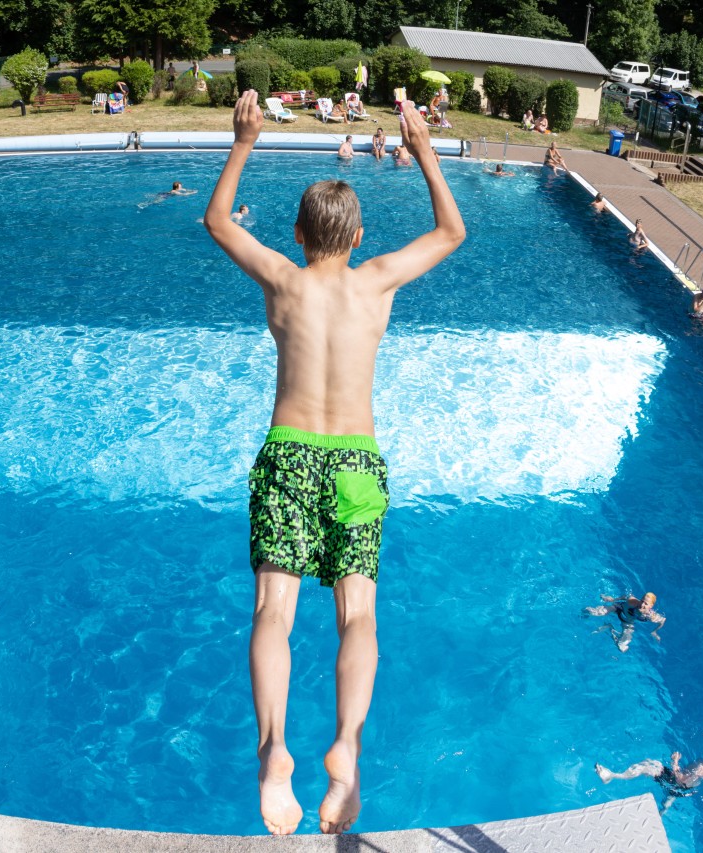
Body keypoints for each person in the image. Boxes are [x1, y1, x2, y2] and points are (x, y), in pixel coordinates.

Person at [204, 91, 466, 836]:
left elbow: (218, 220)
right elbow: (453, 229)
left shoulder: (283, 280)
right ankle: (346, 748)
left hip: (289, 457)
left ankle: (273, 751)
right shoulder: (376, 278)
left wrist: (245, 139)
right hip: (356, 461)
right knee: (358, 613)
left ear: (296, 232)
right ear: (357, 237)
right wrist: (420, 150)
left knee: (272, 612)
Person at [596, 742, 703, 810]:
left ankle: (613, 776)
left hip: (676, 782)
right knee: (668, 801)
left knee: (650, 765)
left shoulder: (701, 768)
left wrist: (675, 761)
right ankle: (662, 811)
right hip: (684, 789)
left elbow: (680, 778)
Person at [584, 592, 665, 651]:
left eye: (646, 604)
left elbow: (662, 620)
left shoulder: (651, 616)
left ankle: (610, 628)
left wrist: (655, 632)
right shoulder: (632, 601)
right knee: (592, 612)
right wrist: (613, 599)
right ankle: (582, 612)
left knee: (622, 647)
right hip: (618, 609)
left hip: (628, 622)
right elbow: (625, 597)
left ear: (651, 606)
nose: (642, 604)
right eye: (642, 601)